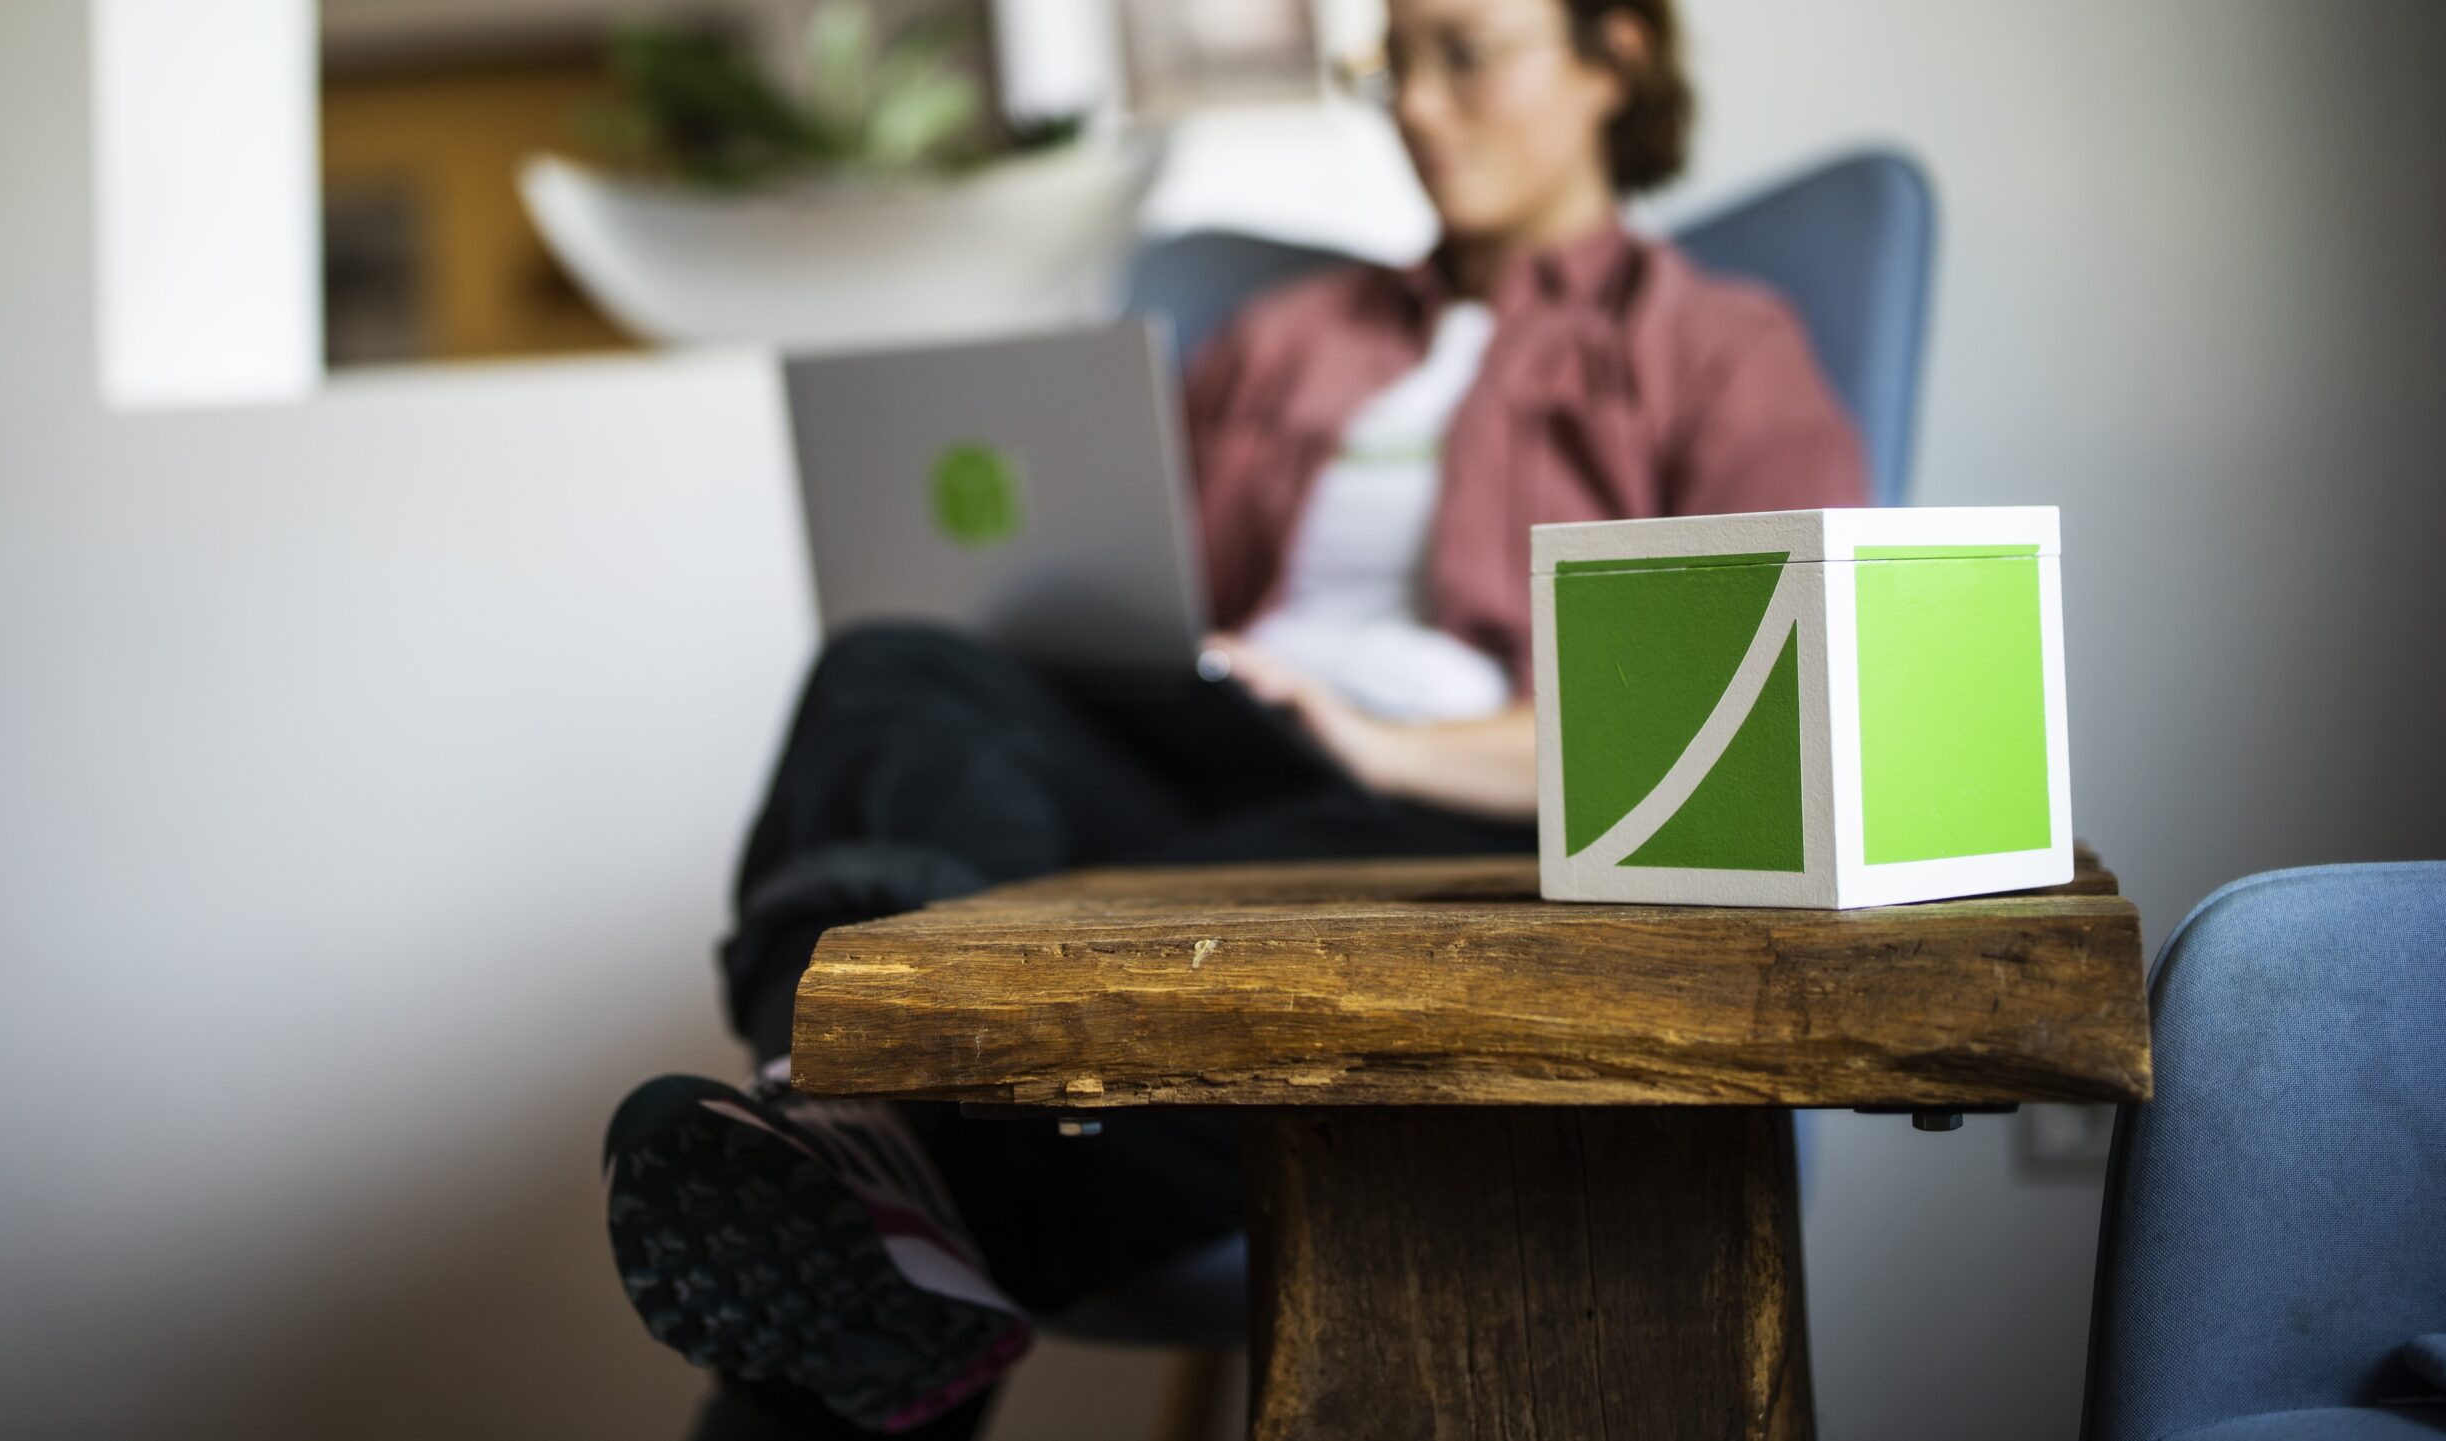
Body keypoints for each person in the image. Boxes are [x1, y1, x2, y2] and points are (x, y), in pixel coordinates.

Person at [603, 0, 1867, 1433]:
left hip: (1445, 816)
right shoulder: (1285, 338)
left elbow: (1763, 711)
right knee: (889, 668)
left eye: (1465, 54)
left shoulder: (1716, 346)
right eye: (1393, 66)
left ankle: (869, 1163)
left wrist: (1379, 741)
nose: (1418, 107)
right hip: (1219, 774)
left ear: (1615, 55)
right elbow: (1133, 591)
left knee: (878, 1209)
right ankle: (834, 1087)